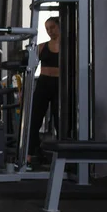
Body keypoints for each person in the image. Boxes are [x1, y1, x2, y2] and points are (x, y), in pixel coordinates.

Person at [27, 16, 60, 166]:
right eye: (47, 29)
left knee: (61, 120)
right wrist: (24, 91)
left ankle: (65, 154)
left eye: (52, 27)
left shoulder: (70, 46)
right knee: (35, 118)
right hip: (43, 83)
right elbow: (30, 68)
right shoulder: (41, 47)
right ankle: (32, 152)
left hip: (60, 85)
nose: (50, 31)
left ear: (60, 26)